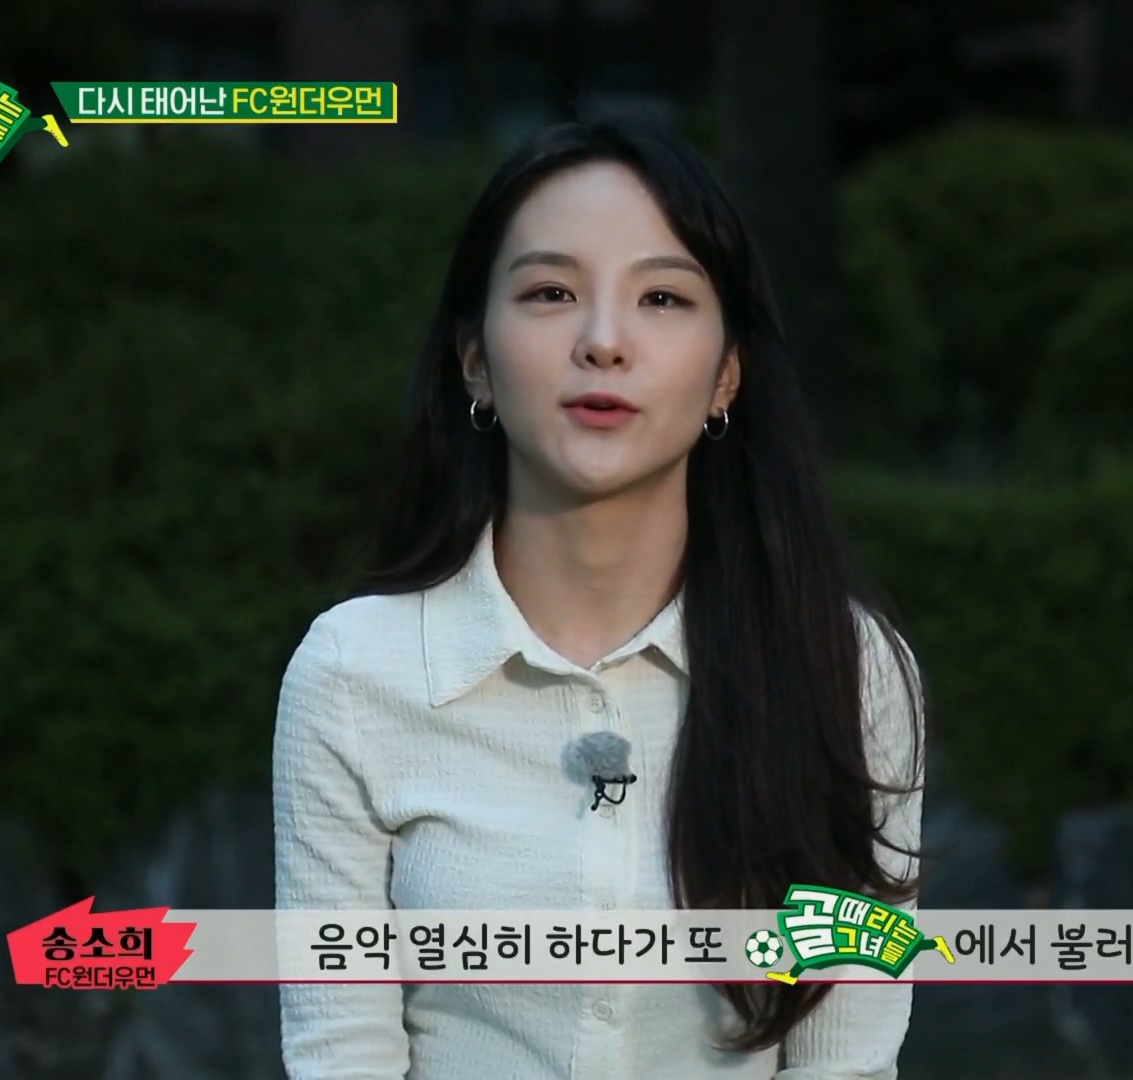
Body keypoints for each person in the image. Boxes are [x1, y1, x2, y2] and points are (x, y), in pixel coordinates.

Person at [273, 118, 927, 1080]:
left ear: (728, 373)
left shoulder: (847, 668)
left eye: (662, 297)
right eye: (551, 293)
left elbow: (848, 1063)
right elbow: (342, 1056)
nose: (604, 342)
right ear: (474, 359)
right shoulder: (354, 674)